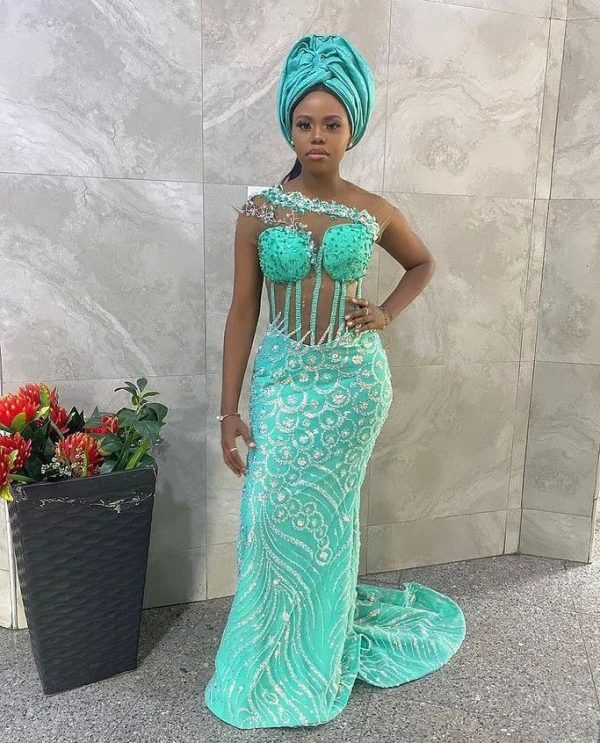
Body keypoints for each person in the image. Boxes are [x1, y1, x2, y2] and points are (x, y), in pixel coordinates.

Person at [204, 33, 466, 729]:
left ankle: (316, 649)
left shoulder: (374, 208)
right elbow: (242, 311)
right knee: (267, 515)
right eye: (304, 123)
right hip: (284, 383)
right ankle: (268, 652)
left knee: (328, 519)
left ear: (353, 129)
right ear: (289, 128)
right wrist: (227, 411)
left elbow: (422, 263)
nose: (317, 136)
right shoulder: (259, 213)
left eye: (331, 123)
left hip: (353, 386)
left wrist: (386, 312)